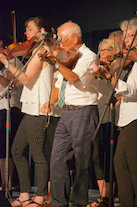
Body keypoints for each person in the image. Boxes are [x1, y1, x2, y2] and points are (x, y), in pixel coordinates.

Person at [40, 21, 100, 207]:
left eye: (63, 40)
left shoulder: (89, 57)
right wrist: (51, 100)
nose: (61, 46)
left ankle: (79, 202)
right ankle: (59, 201)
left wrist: (56, 63)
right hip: (66, 112)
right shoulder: (67, 57)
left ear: (74, 38)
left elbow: (73, 78)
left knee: (82, 160)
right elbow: (60, 83)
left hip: (83, 112)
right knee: (57, 158)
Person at [0, 16, 54, 207]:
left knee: (38, 154)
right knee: (16, 150)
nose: (25, 33)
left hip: (38, 108)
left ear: (41, 31)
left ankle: (39, 198)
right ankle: (24, 195)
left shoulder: (43, 51)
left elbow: (26, 79)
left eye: (29, 29)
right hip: (29, 107)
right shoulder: (36, 50)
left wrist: (7, 64)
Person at [93, 17, 137, 207]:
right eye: (125, 36)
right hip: (126, 119)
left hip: (134, 118)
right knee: (120, 164)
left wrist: (110, 77)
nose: (125, 40)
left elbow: (132, 91)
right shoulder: (132, 62)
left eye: (130, 36)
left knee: (132, 166)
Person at [0, 38, 24, 195]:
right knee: (1, 149)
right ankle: (3, 183)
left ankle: (9, 183)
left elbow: (9, 84)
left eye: (2, 47)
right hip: (0, 109)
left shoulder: (13, 61)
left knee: (8, 149)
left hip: (11, 109)